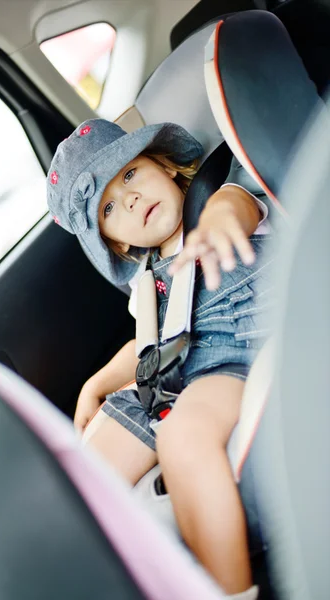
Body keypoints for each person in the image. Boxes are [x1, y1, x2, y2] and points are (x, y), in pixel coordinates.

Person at [47, 118, 272, 600]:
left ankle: (230, 592)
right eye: (109, 207)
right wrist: (97, 383)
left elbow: (243, 204)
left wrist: (221, 215)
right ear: (119, 243)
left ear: (165, 166)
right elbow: (147, 344)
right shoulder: (147, 282)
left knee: (183, 438)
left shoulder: (219, 194)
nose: (128, 198)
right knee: (82, 476)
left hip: (235, 349)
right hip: (171, 371)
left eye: (129, 174)